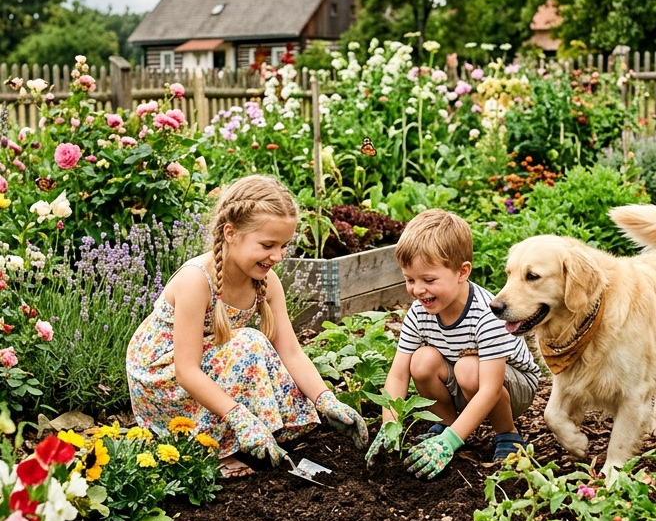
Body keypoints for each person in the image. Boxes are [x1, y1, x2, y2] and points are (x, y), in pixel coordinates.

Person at [126, 175, 368, 478]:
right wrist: (238, 416)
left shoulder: (267, 282)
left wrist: (326, 400)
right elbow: (186, 370)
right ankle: (209, 451)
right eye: (267, 245)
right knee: (249, 344)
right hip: (162, 376)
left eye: (283, 245)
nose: (277, 256)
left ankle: (255, 436)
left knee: (260, 349)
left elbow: (291, 352)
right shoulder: (196, 280)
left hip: (206, 361)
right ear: (230, 232)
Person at [365, 208, 540, 479]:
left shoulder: (485, 313)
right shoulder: (419, 311)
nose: (418, 289)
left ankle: (508, 435)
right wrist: (389, 426)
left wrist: (451, 442)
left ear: (462, 272)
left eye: (429, 280)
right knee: (420, 360)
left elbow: (491, 389)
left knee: (469, 369)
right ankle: (447, 424)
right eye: (410, 280)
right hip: (466, 379)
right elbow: (398, 373)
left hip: (512, 387)